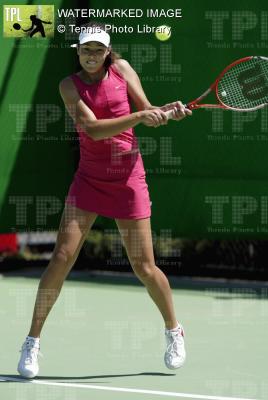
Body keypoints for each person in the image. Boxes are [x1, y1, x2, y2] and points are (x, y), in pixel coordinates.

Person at [17, 22, 192, 379]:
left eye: (98, 50)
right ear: (77, 52)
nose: (92, 56)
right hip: (90, 181)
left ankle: (174, 330)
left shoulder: (123, 69)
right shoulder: (69, 86)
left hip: (128, 180)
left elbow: (145, 109)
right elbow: (94, 129)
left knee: (144, 267)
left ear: (108, 52)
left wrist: (164, 112)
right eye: (86, 50)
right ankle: (32, 342)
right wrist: (142, 116)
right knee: (62, 258)